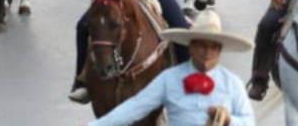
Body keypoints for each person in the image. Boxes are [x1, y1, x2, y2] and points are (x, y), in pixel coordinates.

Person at [91, 9, 253, 126]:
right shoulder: (170, 78)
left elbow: (249, 122)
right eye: (201, 46)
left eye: (213, 47)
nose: (207, 53)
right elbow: (135, 107)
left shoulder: (233, 83)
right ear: (190, 47)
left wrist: (229, 120)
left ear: (219, 50)